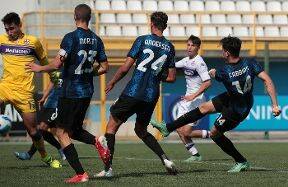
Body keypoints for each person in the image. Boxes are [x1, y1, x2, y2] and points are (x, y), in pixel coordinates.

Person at [150, 36, 281, 172]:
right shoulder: (250, 63)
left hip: (236, 109)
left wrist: (213, 73)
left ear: (227, 53)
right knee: (203, 107)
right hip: (238, 98)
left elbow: (215, 74)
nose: (222, 53)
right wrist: (275, 105)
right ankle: (168, 127)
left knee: (215, 134)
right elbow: (268, 81)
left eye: (223, 50)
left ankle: (241, 161)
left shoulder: (225, 71)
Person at [26, 4, 110, 183]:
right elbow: (104, 67)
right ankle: (97, 141)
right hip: (87, 92)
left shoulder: (70, 38)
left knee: (61, 132)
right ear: (90, 18)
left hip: (70, 92)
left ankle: (81, 174)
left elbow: (57, 64)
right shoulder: (97, 39)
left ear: (75, 16)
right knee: (74, 130)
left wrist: (38, 68)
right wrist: (89, 72)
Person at [96, 11, 177, 178]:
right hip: (151, 95)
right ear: (165, 26)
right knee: (141, 130)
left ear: (152, 24)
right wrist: (156, 73)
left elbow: (125, 68)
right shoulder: (170, 47)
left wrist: (112, 82)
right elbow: (171, 77)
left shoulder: (142, 40)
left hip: (133, 91)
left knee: (111, 127)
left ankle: (108, 169)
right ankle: (165, 159)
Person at [0, 12, 61, 168]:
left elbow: (45, 61)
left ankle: (45, 157)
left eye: (12, 28)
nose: (9, 32)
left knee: (33, 131)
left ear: (20, 25)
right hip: (5, 87)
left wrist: (54, 78)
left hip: (25, 93)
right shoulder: (2, 40)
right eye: (6, 29)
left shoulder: (33, 42)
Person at [173, 35, 211, 162]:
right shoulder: (185, 60)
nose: (189, 47)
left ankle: (212, 134)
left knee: (187, 132)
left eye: (192, 45)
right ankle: (195, 155)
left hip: (197, 101)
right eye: (188, 45)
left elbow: (207, 82)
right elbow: (172, 66)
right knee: (178, 128)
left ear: (198, 48)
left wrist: (193, 96)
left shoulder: (200, 63)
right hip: (187, 100)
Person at [14, 75, 66, 161]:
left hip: (59, 104)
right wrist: (44, 97)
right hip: (48, 104)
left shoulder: (71, 69)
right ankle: (61, 148)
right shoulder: (58, 68)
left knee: (42, 128)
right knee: (39, 130)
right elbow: (52, 82)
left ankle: (29, 154)